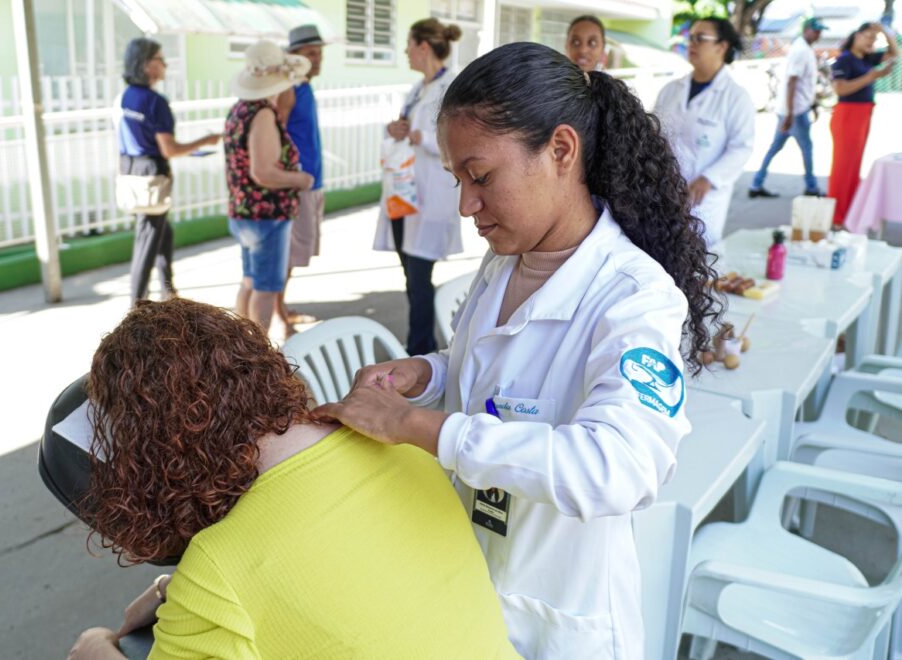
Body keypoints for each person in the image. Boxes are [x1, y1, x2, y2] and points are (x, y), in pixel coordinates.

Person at [316, 42, 720, 659]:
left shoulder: (633, 298)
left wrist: (417, 425)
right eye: (458, 180)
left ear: (560, 150)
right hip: (470, 588)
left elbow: (616, 468)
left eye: (481, 177)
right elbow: (494, 374)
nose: (465, 206)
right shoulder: (507, 259)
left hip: (556, 621)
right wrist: (425, 373)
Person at [66, 299, 519, 659]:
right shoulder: (401, 446)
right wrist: (178, 594)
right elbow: (343, 577)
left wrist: (94, 647)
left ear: (154, 445)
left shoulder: (218, 566)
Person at [374, 18, 463, 356]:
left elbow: (455, 143)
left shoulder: (451, 88)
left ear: (423, 46)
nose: (405, 52)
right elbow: (409, 129)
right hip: (404, 194)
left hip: (429, 197)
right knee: (411, 277)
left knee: (419, 276)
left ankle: (419, 351)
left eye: (409, 45)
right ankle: (421, 344)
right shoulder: (418, 89)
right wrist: (396, 128)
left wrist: (418, 136)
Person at [118, 38, 221, 306]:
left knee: (163, 233)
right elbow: (170, 149)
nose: (165, 64)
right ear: (147, 65)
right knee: (148, 240)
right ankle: (137, 305)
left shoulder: (126, 96)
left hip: (131, 168)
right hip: (152, 172)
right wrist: (205, 140)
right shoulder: (155, 102)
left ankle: (168, 292)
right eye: (160, 59)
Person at [224, 41, 315, 332]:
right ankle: (254, 355)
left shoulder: (239, 110)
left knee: (250, 281)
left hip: (244, 212)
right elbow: (263, 172)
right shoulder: (262, 114)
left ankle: (239, 349)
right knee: (265, 289)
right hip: (266, 215)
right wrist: (300, 179)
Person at [654, 17, 755, 247]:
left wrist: (709, 178)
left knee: (697, 261)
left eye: (700, 39)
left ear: (722, 46)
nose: (692, 44)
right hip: (663, 194)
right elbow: (653, 136)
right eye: (691, 38)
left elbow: (741, 148)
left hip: (703, 202)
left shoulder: (736, 98)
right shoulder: (670, 90)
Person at [276, 24, 328, 334]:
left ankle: (281, 308)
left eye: (319, 53)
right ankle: (279, 317)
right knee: (286, 255)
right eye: (311, 54)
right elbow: (275, 132)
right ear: (295, 57)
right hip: (298, 185)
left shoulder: (304, 85)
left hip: (311, 181)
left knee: (293, 255)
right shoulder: (289, 87)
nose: (318, 59)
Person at [749, 17, 828, 199]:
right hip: (795, 111)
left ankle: (756, 183)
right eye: (816, 30)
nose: (819, 34)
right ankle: (811, 187)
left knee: (775, 147)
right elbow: (792, 82)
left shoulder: (804, 48)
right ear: (806, 29)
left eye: (820, 31)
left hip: (793, 109)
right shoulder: (801, 50)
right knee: (806, 148)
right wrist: (791, 114)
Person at [828, 21, 897, 226]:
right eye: (867, 36)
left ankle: (849, 210)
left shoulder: (867, 58)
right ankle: (836, 215)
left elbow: (895, 53)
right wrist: (871, 77)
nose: (871, 41)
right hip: (848, 114)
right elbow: (840, 90)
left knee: (854, 166)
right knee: (843, 167)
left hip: (863, 114)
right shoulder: (844, 60)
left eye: (873, 39)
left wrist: (884, 31)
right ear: (856, 36)